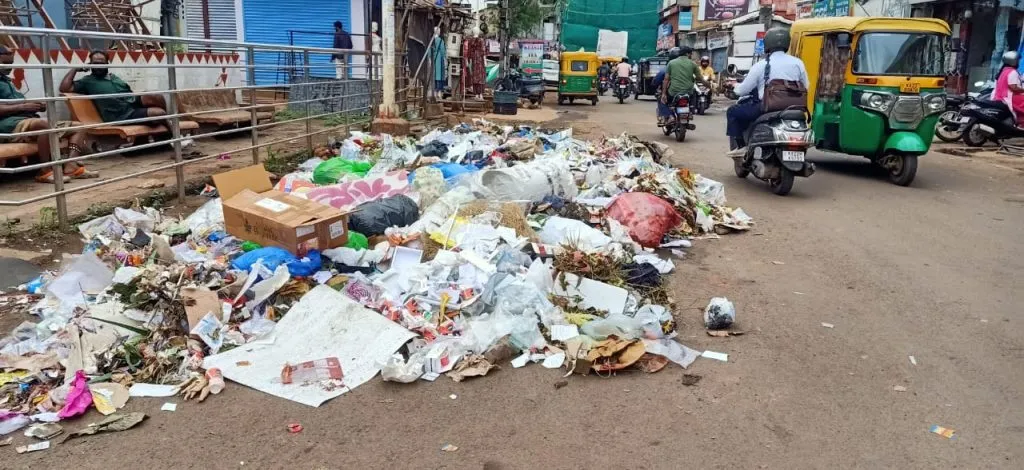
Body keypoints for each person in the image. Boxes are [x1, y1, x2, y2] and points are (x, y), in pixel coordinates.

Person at [0, 48, 95, 183]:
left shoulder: (6, 81)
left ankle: (71, 166)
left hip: (26, 120)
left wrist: (34, 105)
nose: (9, 68)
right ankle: (45, 170)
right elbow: (13, 106)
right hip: (7, 124)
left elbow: (16, 103)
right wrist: (22, 106)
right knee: (45, 125)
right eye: (6, 64)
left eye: (10, 64)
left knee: (79, 127)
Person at [726, 27, 809, 149]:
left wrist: (734, 86)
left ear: (767, 44)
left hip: (767, 107)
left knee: (732, 112)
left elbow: (742, 90)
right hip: (795, 108)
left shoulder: (761, 65)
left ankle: (740, 147)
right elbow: (806, 86)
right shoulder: (798, 63)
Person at [59, 50, 168, 126]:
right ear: (90, 64)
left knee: (156, 96)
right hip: (120, 115)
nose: (98, 66)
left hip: (131, 103)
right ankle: (170, 135)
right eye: (95, 63)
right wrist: (75, 69)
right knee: (159, 113)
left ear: (107, 63)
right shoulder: (87, 81)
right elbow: (64, 88)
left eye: (102, 63)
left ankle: (167, 127)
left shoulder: (113, 77)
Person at [662, 46, 709, 110]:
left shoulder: (671, 63)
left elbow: (666, 79)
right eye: (691, 54)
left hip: (674, 91)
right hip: (688, 91)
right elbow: (700, 78)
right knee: (693, 94)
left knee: (664, 100)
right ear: (687, 54)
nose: (691, 56)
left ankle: (670, 115)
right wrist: (709, 86)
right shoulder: (693, 64)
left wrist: (663, 94)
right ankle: (691, 109)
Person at [991, 51, 1024, 127]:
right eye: (1018, 60)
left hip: (1001, 97)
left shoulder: (1004, 71)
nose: (1019, 62)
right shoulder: (1012, 72)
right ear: (1013, 61)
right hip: (1010, 97)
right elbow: (1013, 88)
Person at [653, 48, 681, 125]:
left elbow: (657, 80)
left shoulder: (667, 68)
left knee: (661, 98)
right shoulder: (687, 67)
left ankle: (669, 116)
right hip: (685, 91)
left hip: (672, 91)